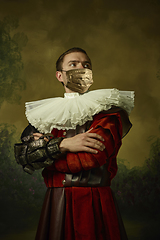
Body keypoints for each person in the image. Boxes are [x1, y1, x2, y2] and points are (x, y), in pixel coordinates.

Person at [14, 47, 134, 240]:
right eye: (73, 64)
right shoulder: (45, 115)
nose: (82, 68)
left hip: (94, 202)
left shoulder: (108, 113)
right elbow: (24, 156)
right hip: (56, 202)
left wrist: (45, 151)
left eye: (86, 65)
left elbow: (90, 158)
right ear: (60, 75)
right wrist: (63, 145)